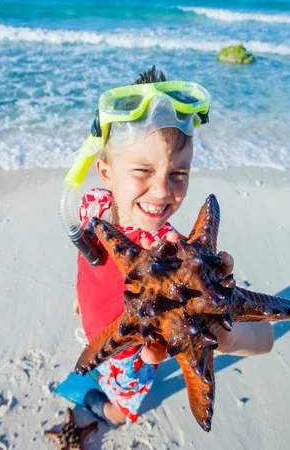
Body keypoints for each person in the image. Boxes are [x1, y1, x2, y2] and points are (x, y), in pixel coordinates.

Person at [72, 66, 274, 427]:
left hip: (133, 352)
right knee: (93, 358)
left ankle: (99, 405)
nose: (164, 191)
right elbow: (88, 257)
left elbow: (264, 339)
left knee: (121, 410)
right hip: (93, 324)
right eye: (142, 171)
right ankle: (95, 377)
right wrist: (79, 295)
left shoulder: (176, 257)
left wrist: (221, 332)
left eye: (178, 174)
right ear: (106, 172)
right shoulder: (94, 207)